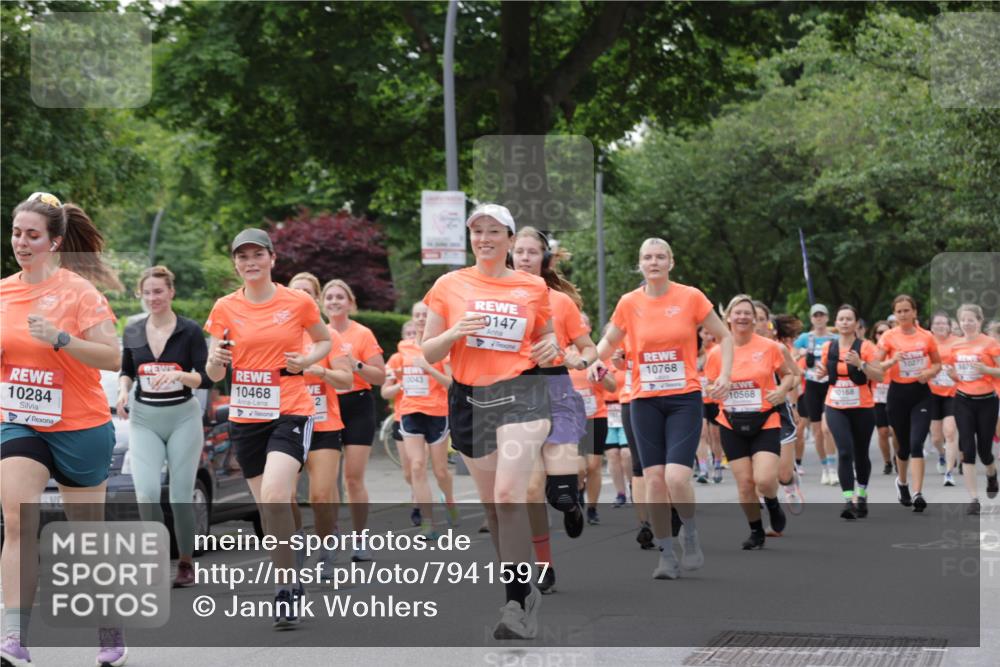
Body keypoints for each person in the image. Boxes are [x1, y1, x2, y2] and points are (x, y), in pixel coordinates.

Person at [422, 204, 558, 639]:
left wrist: (550, 346)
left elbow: (548, 336)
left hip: (522, 394)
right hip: (469, 399)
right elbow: (429, 352)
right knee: (495, 512)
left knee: (507, 495)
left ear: (509, 238)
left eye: (493, 231)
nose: (484, 238)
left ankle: (516, 603)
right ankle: (523, 590)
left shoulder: (531, 287)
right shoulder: (449, 285)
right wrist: (455, 331)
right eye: (477, 230)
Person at [1, 192, 126, 666]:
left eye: (33, 235)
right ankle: (13, 635)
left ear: (55, 242)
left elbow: (113, 356)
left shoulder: (79, 292)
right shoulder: (2, 292)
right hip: (20, 422)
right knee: (18, 520)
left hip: (80, 425)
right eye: (16, 233)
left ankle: (109, 624)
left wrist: (60, 339)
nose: (22, 242)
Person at [204, 228, 331, 628]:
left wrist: (306, 361)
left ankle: (284, 588)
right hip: (246, 415)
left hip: (290, 407)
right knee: (271, 507)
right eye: (242, 257)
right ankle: (291, 559)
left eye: (257, 255)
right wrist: (217, 360)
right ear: (236, 264)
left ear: (272, 259)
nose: (250, 262)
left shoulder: (298, 301)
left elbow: (324, 341)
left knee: (276, 495)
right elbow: (211, 369)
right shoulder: (224, 307)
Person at [589, 238, 733, 579]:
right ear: (640, 264)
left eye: (660, 257)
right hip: (643, 399)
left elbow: (724, 336)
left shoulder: (690, 297)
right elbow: (609, 342)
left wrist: (724, 374)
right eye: (647, 257)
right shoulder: (629, 303)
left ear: (671, 262)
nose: (654, 262)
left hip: (684, 396)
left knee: (676, 476)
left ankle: (691, 533)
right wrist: (594, 360)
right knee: (653, 480)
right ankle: (666, 555)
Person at [511, 226, 595, 594]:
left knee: (559, 494)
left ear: (543, 259)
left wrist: (579, 357)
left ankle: (572, 505)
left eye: (532, 252)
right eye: (519, 251)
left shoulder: (560, 302)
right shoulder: (498, 301)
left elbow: (589, 348)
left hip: (557, 391)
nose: (525, 257)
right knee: (530, 491)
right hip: (515, 396)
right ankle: (543, 564)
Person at [117, 266, 211, 588]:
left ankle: (185, 561)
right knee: (146, 493)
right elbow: (126, 370)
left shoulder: (190, 331)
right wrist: (122, 392)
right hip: (144, 419)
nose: (153, 297)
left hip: (183, 418)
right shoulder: (132, 331)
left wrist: (180, 376)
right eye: (147, 292)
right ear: (140, 295)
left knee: (180, 496)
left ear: (171, 292)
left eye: (159, 291)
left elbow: (203, 377)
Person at [705, 296, 796, 548]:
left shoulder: (770, 347)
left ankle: (773, 503)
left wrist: (781, 391)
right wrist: (714, 390)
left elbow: (790, 375)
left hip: (765, 420)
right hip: (731, 423)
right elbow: (710, 384)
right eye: (738, 313)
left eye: (748, 313)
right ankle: (756, 531)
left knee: (765, 480)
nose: (743, 317)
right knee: (745, 484)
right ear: (728, 318)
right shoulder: (716, 352)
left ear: (755, 319)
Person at [290, 273, 353, 578]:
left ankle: (327, 544)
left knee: (320, 494)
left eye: (307, 292)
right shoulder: (278, 335)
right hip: (287, 423)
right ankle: (298, 537)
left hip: (323, 424)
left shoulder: (329, 336)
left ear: (314, 299)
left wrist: (319, 371)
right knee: (285, 493)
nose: (300, 297)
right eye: (295, 292)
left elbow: (347, 379)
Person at [322, 279, 386, 561]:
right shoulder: (317, 335)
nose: (334, 302)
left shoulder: (362, 334)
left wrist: (356, 364)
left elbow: (380, 376)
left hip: (358, 405)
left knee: (352, 478)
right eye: (329, 297)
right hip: (327, 405)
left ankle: (360, 539)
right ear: (322, 303)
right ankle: (331, 533)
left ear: (350, 303)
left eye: (340, 297)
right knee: (327, 481)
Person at [815, 305, 884, 519]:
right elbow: (828, 371)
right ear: (835, 323)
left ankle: (861, 494)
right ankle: (848, 500)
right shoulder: (829, 347)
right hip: (835, 405)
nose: (844, 322)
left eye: (849, 319)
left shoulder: (866, 346)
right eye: (841, 318)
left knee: (861, 453)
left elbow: (879, 376)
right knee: (844, 451)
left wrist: (861, 363)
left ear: (856, 324)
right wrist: (823, 372)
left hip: (862, 407)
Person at [396, 302, 458, 539]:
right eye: (417, 315)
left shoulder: (440, 348)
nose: (421, 318)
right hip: (411, 410)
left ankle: (450, 501)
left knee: (441, 471)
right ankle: (428, 523)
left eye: (425, 314)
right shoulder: (404, 347)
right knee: (417, 466)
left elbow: (451, 384)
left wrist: (428, 369)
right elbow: (401, 376)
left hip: (437, 412)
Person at [875, 295, 941, 512]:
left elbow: (937, 363)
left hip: (921, 393)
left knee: (916, 443)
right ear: (895, 314)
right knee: (902, 447)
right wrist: (891, 361)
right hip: (897, 394)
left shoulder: (927, 336)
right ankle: (902, 482)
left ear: (914, 312)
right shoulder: (888, 337)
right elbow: (876, 365)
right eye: (899, 311)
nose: (903, 315)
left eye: (906, 310)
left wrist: (928, 372)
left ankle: (918, 492)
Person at [945, 304, 1000, 514]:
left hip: (987, 400)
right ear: (959, 322)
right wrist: (952, 376)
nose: (967, 323)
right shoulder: (956, 346)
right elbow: (954, 372)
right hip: (962, 400)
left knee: (984, 451)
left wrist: (986, 369)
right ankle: (974, 499)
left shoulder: (990, 343)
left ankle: (991, 473)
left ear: (980, 321)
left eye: (971, 320)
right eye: (963, 320)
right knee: (967, 448)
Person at [570, 337, 617, 526]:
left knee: (594, 465)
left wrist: (601, 373)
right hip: (570, 420)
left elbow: (612, 386)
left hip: (595, 417)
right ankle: (578, 491)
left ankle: (592, 509)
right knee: (579, 468)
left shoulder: (595, 356)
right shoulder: (562, 354)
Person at [793, 304, 837, 485]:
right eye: (815, 316)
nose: (819, 318)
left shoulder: (834, 338)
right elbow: (792, 357)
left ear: (827, 318)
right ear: (811, 319)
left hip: (829, 385)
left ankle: (833, 469)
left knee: (828, 430)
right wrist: (801, 354)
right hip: (812, 386)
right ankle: (825, 467)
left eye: (822, 315)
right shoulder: (805, 338)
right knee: (818, 432)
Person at [381, 320, 419, 525]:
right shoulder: (396, 359)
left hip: (424, 415)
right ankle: (418, 491)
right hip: (401, 416)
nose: (412, 336)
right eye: (408, 332)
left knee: (417, 466)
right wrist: (401, 386)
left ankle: (418, 504)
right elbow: (384, 391)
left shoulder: (427, 354)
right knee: (407, 471)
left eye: (415, 332)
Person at [927, 311, 959, 482]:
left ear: (949, 326)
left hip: (953, 393)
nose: (940, 326)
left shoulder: (957, 342)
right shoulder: (926, 342)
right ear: (931, 327)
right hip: (931, 393)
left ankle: (949, 472)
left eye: (943, 323)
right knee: (937, 437)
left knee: (950, 431)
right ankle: (942, 454)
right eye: (936, 323)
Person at [870, 320, 896, 475]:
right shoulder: (870, 350)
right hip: (877, 396)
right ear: (875, 335)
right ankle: (887, 461)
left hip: (895, 394)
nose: (882, 335)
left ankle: (898, 458)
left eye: (886, 332)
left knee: (897, 431)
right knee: (883, 432)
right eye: (879, 332)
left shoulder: (895, 349)